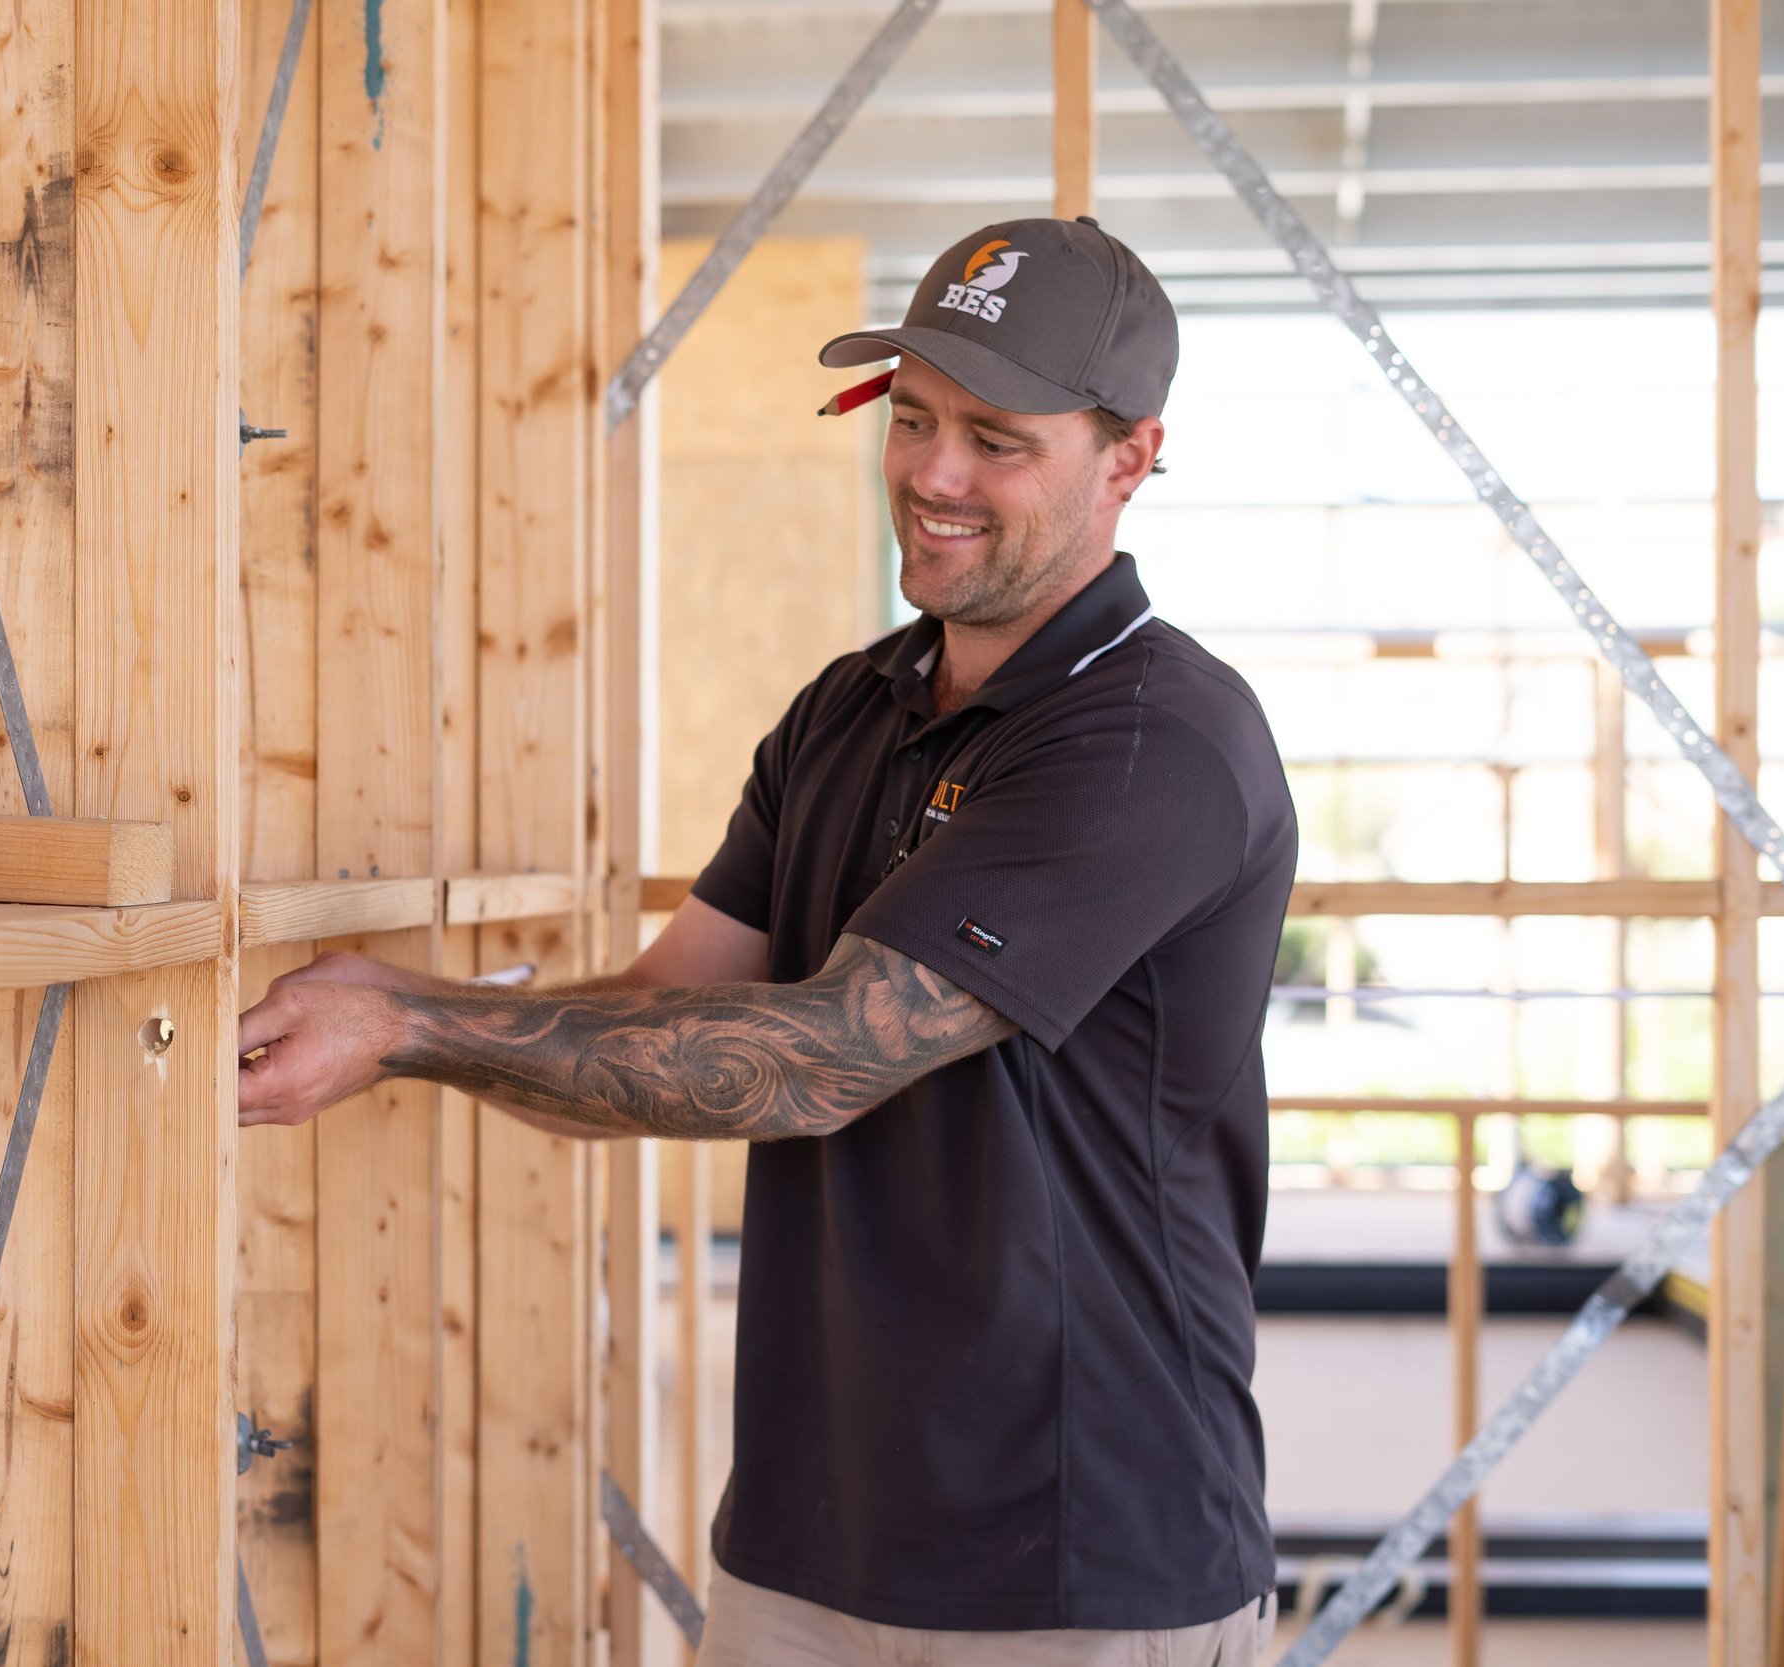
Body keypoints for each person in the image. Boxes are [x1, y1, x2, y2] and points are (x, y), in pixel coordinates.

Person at [236, 217, 1297, 1667]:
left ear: (1127, 458)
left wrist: (411, 1029)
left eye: (998, 439)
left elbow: (817, 1061)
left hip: (1081, 1560)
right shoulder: (847, 712)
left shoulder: (1151, 742)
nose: (933, 474)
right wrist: (397, 1005)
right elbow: (675, 1014)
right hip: (810, 1543)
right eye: (912, 418)